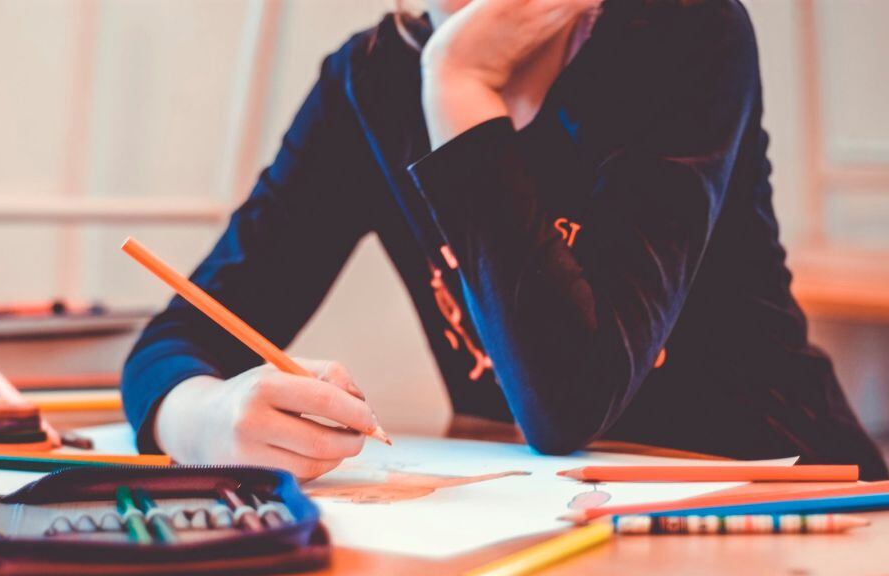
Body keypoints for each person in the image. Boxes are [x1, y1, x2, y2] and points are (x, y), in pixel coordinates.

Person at [122, 0, 888, 480]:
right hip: (546, 520)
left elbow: (567, 406)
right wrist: (204, 420)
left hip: (779, 503)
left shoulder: (683, 31)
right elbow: (181, 335)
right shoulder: (371, 77)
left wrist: (457, 88)